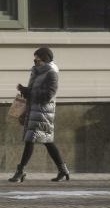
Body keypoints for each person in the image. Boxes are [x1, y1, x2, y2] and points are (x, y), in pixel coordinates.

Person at [8, 47, 70, 182]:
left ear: (44, 58)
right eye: (34, 58)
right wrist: (24, 90)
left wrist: (29, 92)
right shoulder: (36, 71)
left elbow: (49, 95)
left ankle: (20, 172)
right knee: (47, 142)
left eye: (37, 58)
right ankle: (63, 169)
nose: (34, 60)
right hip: (33, 110)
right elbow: (33, 91)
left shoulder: (51, 73)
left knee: (30, 140)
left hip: (43, 113)